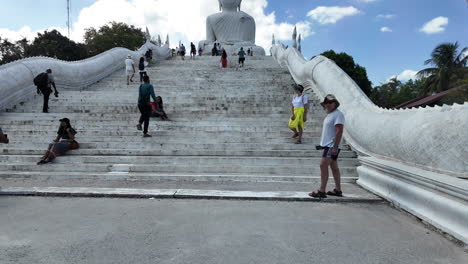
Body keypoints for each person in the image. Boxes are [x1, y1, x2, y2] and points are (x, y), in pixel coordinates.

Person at [309, 94, 345, 198]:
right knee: (334, 167)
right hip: (328, 145)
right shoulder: (330, 115)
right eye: (326, 103)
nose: (328, 104)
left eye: (330, 102)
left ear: (335, 103)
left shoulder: (338, 114)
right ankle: (338, 190)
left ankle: (322, 191)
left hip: (332, 146)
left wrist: (335, 147)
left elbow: (339, 130)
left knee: (323, 165)